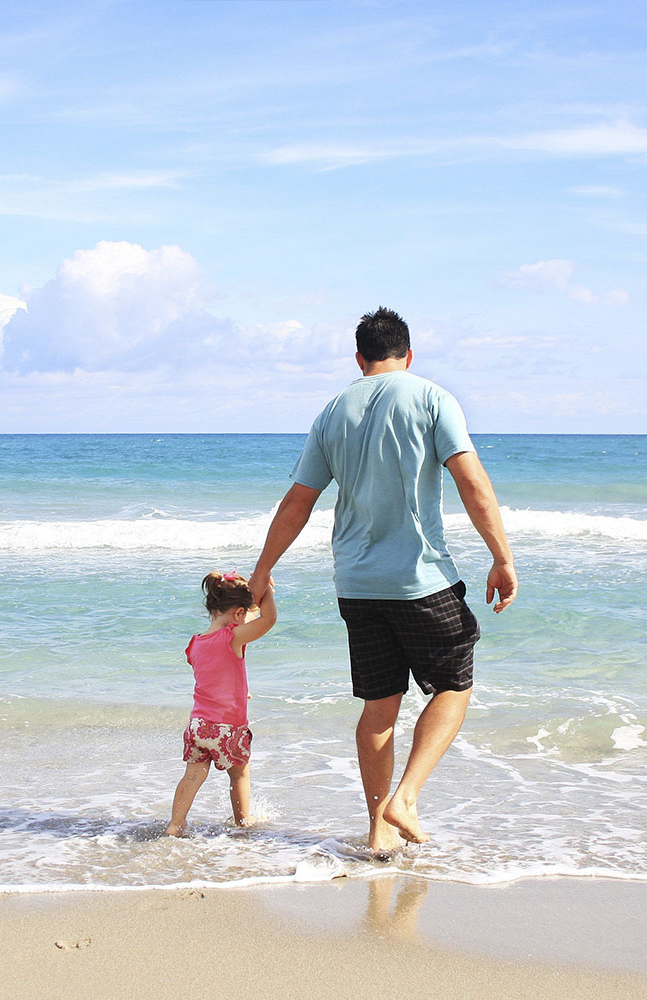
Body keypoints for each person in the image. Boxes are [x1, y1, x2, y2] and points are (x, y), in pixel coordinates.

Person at [248, 307, 516, 853]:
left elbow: (299, 501)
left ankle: (377, 832)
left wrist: (263, 568)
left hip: (356, 583)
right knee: (454, 685)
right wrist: (502, 557)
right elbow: (471, 482)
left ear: (359, 358)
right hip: (418, 579)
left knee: (378, 706)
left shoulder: (332, 412)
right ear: (408, 355)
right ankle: (406, 798)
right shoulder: (432, 397)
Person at [166, 571, 277, 836]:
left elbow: (215, 674)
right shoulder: (232, 638)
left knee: (192, 776)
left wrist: (241, 689)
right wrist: (268, 592)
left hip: (198, 727)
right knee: (239, 775)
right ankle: (243, 823)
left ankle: (175, 825)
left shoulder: (195, 644)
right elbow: (268, 619)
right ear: (238, 614)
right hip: (228, 728)